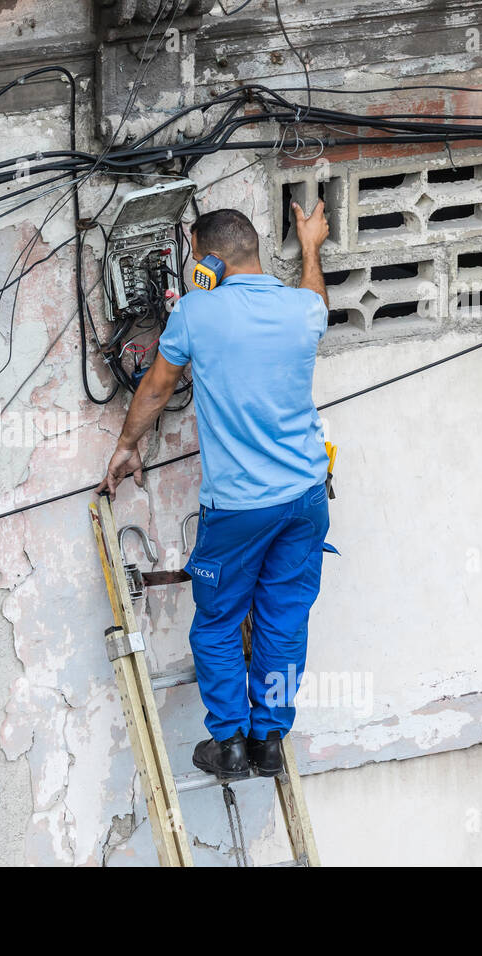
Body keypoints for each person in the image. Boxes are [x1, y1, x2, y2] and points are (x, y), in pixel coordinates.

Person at [96, 199, 334, 780]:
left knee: (220, 621)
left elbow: (155, 387)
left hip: (238, 509)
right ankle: (269, 739)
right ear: (251, 251)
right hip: (306, 498)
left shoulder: (198, 313)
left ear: (206, 262)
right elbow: (317, 302)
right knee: (284, 620)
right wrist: (309, 248)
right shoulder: (302, 310)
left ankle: (228, 742)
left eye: (194, 260)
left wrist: (127, 446)